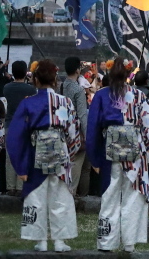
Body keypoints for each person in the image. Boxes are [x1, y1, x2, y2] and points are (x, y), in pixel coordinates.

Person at [6, 60, 81, 252]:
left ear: (36, 80)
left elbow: (15, 135)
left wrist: (20, 166)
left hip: (35, 150)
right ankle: (60, 241)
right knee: (61, 196)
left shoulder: (28, 102)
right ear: (55, 80)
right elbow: (74, 133)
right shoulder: (66, 102)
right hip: (60, 150)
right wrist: (69, 155)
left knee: (36, 196)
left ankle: (40, 240)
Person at [87, 58, 149, 252]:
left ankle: (106, 243)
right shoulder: (139, 96)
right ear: (129, 75)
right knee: (132, 197)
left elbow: (92, 128)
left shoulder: (101, 96)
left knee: (109, 196)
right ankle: (129, 243)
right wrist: (148, 154)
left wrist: (94, 158)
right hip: (135, 152)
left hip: (108, 152)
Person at [3, 60, 36, 196]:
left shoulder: (7, 88)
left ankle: (10, 187)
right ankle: (21, 186)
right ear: (25, 72)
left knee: (10, 157)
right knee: (23, 156)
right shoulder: (30, 89)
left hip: (10, 124)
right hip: (25, 125)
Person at [60, 56, 90, 198]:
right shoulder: (79, 90)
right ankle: (71, 193)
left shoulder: (61, 86)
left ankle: (64, 191)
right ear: (78, 70)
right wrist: (87, 135)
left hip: (62, 129)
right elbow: (82, 115)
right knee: (77, 164)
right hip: (76, 132)